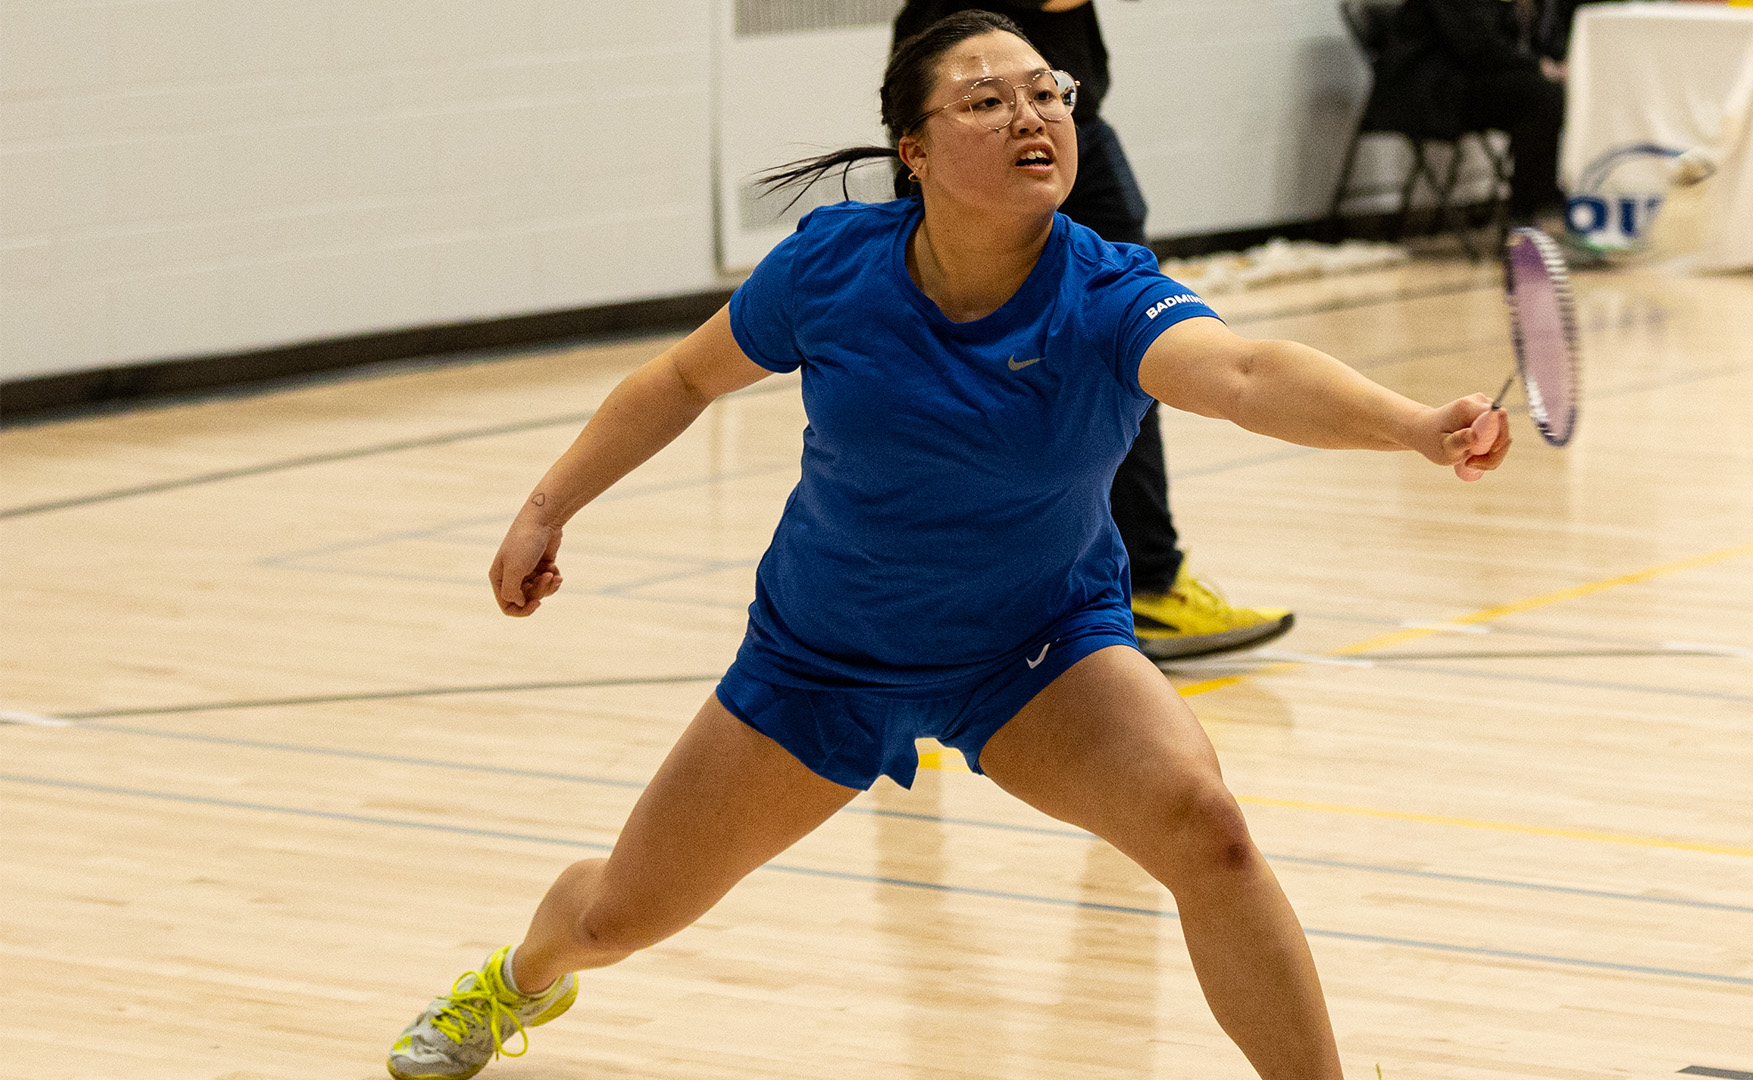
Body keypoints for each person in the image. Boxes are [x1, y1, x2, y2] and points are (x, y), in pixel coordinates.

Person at [384, 12, 1510, 1080]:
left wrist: (1414, 427)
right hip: (819, 661)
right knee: (617, 915)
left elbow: (1250, 374)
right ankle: (517, 981)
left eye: (1046, 93)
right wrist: (548, 504)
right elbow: (684, 377)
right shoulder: (833, 270)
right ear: (913, 151)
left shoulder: (1108, 294)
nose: (1032, 117)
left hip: (1036, 651)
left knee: (1205, 829)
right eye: (986, 101)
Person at [893, 0, 1294, 662]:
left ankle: (1145, 583)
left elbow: (1243, 373)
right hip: (974, 142)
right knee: (946, 383)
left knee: (1130, 356)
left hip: (1058, 136)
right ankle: (935, 599)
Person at [1373, 0, 1569, 224]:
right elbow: (1476, 48)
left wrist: (1558, 62)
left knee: (1556, 91)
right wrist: (1538, 65)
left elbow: (1535, 38)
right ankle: (1528, 212)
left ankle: (1545, 201)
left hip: (1465, 83)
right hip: (1431, 94)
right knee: (1540, 95)